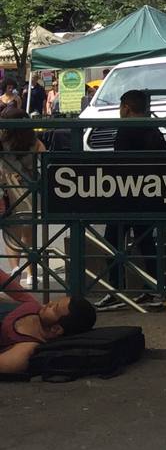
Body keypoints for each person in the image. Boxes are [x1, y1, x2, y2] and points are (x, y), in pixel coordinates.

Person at [99, 88, 166, 311]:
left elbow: (121, 164)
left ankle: (117, 291)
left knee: (112, 240)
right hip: (150, 193)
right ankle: (154, 289)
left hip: (127, 195)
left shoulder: (126, 130)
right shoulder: (154, 129)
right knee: (146, 241)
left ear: (126, 108)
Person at [0, 295, 96, 374]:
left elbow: (10, 363)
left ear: (57, 329)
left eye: (54, 308)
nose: (50, 302)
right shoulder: (39, 309)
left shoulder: (25, 348)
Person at [0, 109, 43, 286]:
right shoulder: (34, 142)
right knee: (29, 233)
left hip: (8, 191)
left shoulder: (2, 143)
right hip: (30, 189)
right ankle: (31, 274)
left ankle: (15, 269)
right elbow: (46, 162)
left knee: (11, 233)